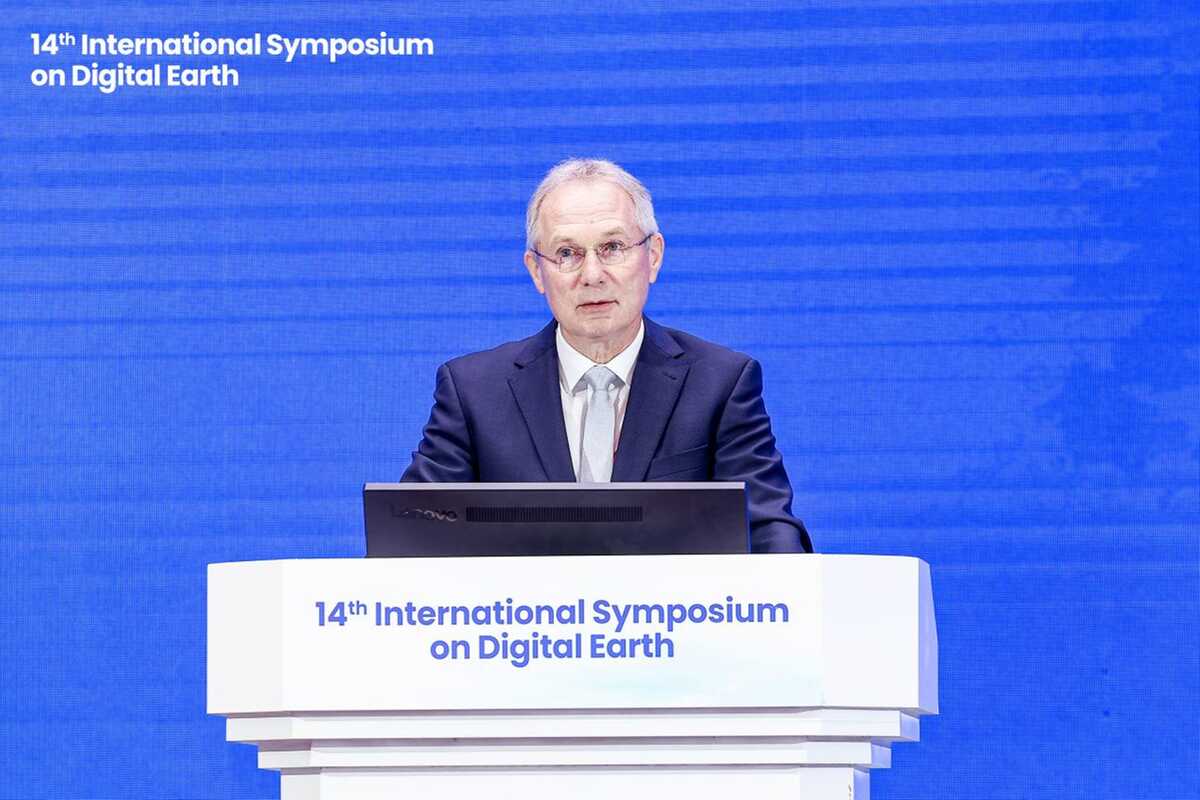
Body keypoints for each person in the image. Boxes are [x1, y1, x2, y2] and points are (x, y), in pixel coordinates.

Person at [402, 158, 812, 553]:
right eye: (567, 253)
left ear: (653, 256)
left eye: (612, 247)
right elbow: (411, 536)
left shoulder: (720, 384)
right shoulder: (474, 392)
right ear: (536, 270)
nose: (592, 275)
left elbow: (768, 531)